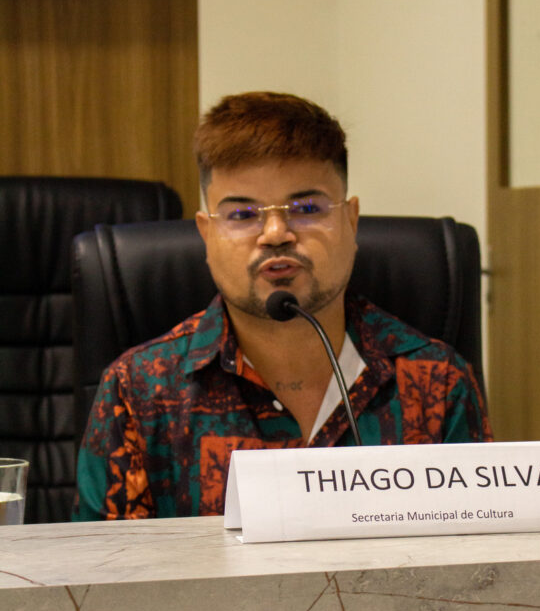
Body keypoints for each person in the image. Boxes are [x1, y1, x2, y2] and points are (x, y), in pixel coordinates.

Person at [73, 92, 491, 520]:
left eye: (306, 208)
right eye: (242, 214)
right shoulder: (139, 392)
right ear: (206, 235)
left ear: (351, 221)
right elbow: (106, 562)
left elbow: (476, 554)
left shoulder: (437, 383)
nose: (275, 233)